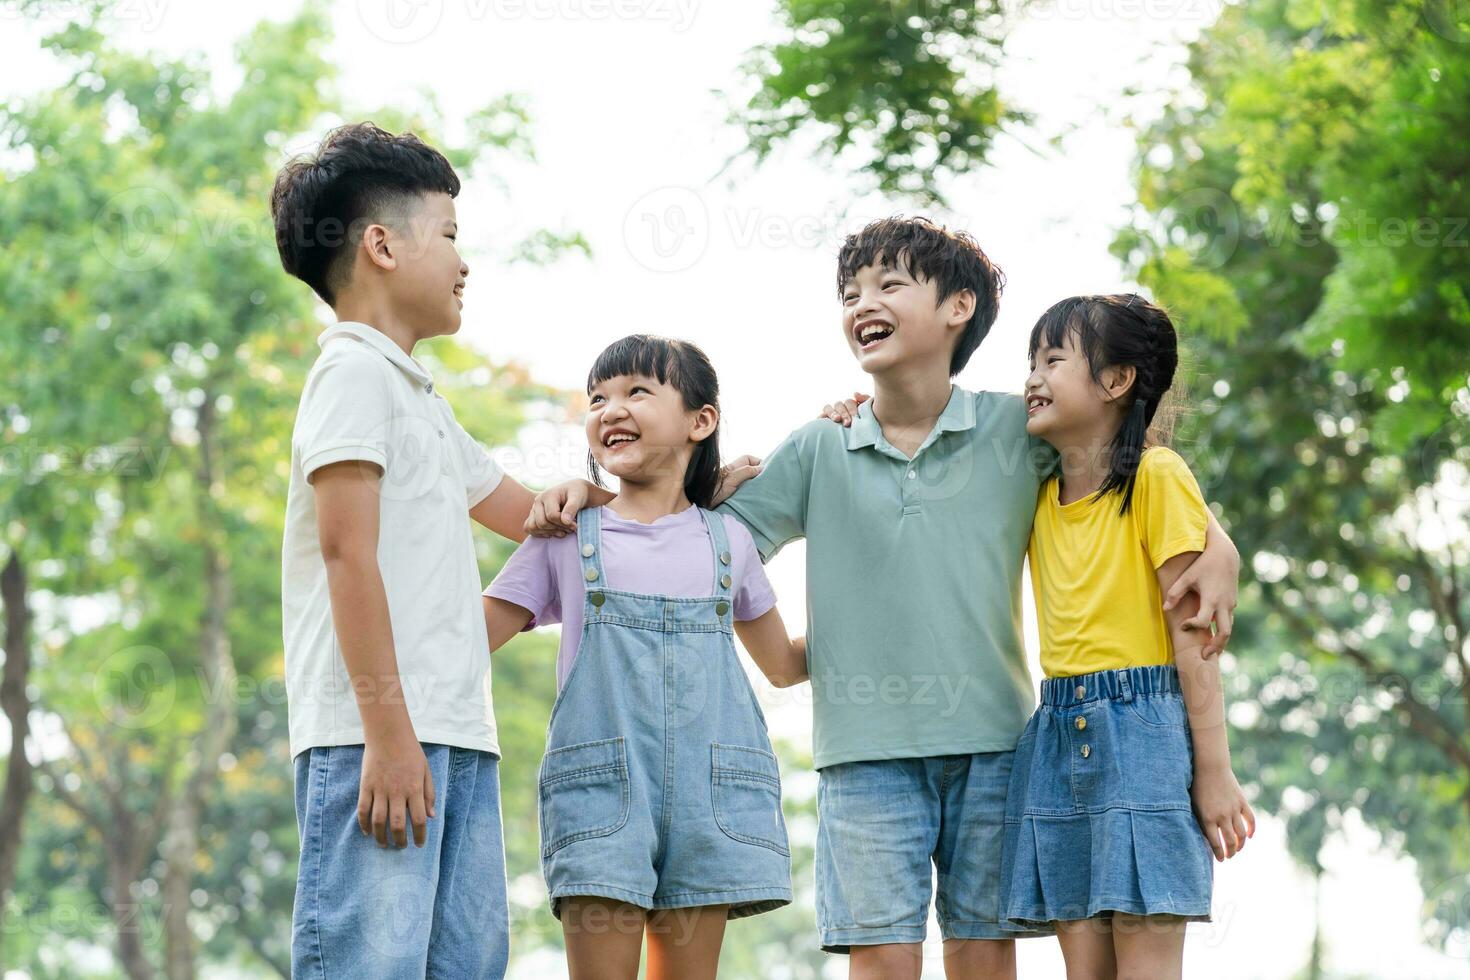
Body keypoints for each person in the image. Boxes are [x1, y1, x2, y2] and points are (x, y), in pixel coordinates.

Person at [528, 217, 1241, 980]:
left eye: (889, 283)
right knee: (881, 959)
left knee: (982, 953)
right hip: (863, 755)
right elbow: (692, 543)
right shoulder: (817, 446)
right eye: (850, 291)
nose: (862, 301)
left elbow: (1121, 459)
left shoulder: (1017, 428)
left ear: (958, 307)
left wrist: (1217, 543)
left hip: (996, 748)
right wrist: (594, 495)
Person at [273, 122, 538, 979]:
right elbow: (348, 555)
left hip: (456, 737)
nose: (465, 262)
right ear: (382, 245)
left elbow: (530, 516)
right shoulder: (350, 375)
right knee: (369, 967)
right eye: (451, 235)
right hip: (374, 739)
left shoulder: (420, 398)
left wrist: (686, 485)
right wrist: (389, 737)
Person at [483, 335, 805, 980]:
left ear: (700, 420)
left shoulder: (729, 540)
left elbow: (784, 666)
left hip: (712, 800)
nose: (609, 409)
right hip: (599, 793)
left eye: (636, 391)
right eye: (597, 398)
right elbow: (467, 641)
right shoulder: (566, 536)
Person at [1000, 293, 1254, 978]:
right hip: (1055, 734)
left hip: (1142, 732)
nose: (1032, 377)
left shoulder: (1158, 475)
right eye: (1030, 361)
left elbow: (1194, 635)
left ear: (1116, 382)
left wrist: (1214, 769)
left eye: (1054, 359)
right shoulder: (1034, 482)